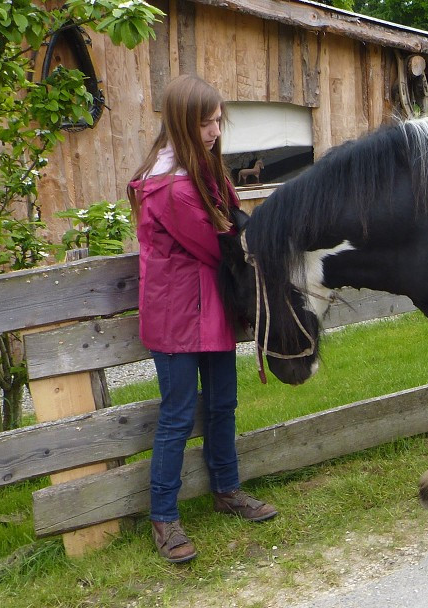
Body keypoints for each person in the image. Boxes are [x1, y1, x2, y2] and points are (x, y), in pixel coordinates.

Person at [127, 74, 277, 564]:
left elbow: (232, 218)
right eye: (208, 123)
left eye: (217, 121)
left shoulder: (201, 168)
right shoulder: (170, 186)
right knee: (175, 416)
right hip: (175, 313)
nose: (216, 131)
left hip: (207, 305)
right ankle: (164, 518)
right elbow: (218, 241)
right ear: (183, 124)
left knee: (221, 405)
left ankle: (227, 490)